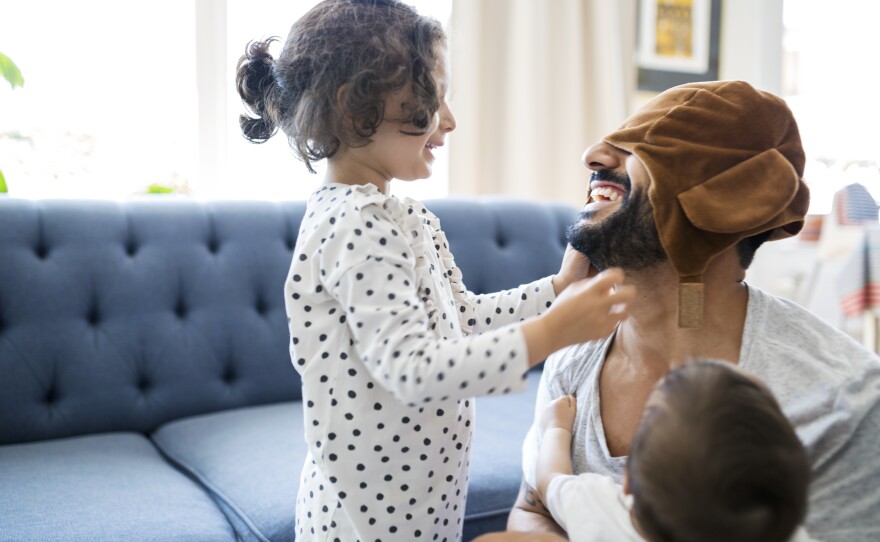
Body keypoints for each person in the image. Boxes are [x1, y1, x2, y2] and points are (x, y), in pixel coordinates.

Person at [235, 1, 636, 540]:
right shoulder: (352, 223)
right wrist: (553, 332)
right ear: (356, 111)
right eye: (430, 100)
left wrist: (558, 289)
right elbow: (413, 369)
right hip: (363, 522)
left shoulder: (404, 216)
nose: (449, 120)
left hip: (422, 504)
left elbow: (462, 319)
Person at [508, 80, 880, 542]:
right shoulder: (572, 361)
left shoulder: (848, 399)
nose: (594, 156)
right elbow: (531, 511)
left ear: (732, 197)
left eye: (642, 147)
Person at [531, 359, 814, 542]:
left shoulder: (602, 509)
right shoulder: (790, 534)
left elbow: (549, 478)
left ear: (628, 480)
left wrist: (558, 428)